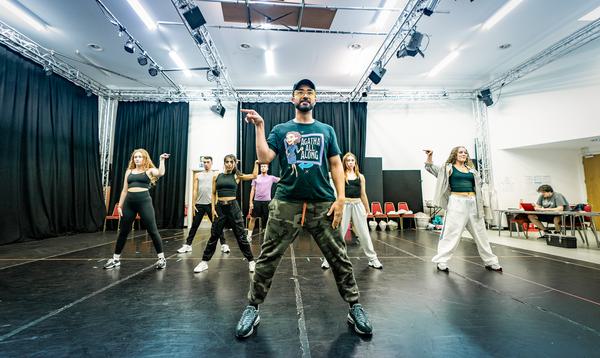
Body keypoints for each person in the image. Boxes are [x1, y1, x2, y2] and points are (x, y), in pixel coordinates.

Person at [236, 79, 373, 338]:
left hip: (322, 204)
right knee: (267, 257)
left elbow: (335, 165)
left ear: (315, 99)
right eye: (300, 92)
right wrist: (260, 127)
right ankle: (252, 307)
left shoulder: (327, 130)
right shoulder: (281, 129)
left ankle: (354, 306)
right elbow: (265, 158)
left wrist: (341, 198)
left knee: (339, 257)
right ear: (293, 99)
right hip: (286, 203)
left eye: (310, 92)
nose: (305, 95)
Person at [424, 147, 502, 273]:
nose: (463, 154)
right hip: (456, 202)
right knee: (451, 233)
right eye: (460, 152)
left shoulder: (472, 170)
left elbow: (478, 186)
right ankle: (442, 261)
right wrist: (430, 156)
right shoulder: (447, 168)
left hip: (473, 203)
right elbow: (430, 168)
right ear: (455, 154)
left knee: (481, 234)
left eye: (465, 152)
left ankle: (491, 261)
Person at [103, 149, 170, 270]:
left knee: (152, 230)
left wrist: (161, 160)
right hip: (129, 203)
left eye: (140, 157)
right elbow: (124, 190)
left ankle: (161, 259)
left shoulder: (149, 171)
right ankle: (115, 259)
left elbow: (161, 173)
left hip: (144, 202)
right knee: (123, 231)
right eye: (135, 157)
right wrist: (119, 206)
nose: (137, 159)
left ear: (145, 158)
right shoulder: (129, 171)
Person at [193, 155, 258, 273]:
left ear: (234, 163)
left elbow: (254, 176)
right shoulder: (217, 176)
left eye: (231, 162)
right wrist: (213, 208)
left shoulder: (236, 176)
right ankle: (204, 262)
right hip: (220, 208)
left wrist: (256, 163)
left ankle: (251, 261)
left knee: (241, 236)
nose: (229, 164)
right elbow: (213, 193)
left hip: (233, 207)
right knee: (214, 235)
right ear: (224, 163)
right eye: (227, 162)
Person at [321, 152, 382, 270]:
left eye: (352, 160)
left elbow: (363, 194)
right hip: (345, 205)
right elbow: (337, 192)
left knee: (364, 233)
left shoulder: (361, 177)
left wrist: (367, 209)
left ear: (355, 162)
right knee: (338, 234)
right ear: (344, 162)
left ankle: (373, 259)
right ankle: (328, 260)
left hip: (358, 204)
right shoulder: (341, 175)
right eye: (348, 160)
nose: (350, 162)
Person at [177, 156, 229, 254]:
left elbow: (219, 186)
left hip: (211, 204)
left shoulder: (216, 174)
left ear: (211, 163)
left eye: (208, 162)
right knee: (194, 225)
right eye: (204, 162)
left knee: (217, 225)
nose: (206, 164)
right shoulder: (198, 175)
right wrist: (193, 204)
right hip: (199, 204)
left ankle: (224, 245)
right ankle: (188, 245)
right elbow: (195, 190)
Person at [247, 163, 279, 240]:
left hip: (267, 202)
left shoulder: (271, 178)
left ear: (267, 168)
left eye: (264, 166)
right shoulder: (255, 177)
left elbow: (282, 180)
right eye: (261, 166)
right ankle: (249, 236)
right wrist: (250, 202)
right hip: (257, 201)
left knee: (269, 219)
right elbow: (252, 190)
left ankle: (269, 236)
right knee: (252, 219)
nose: (263, 167)